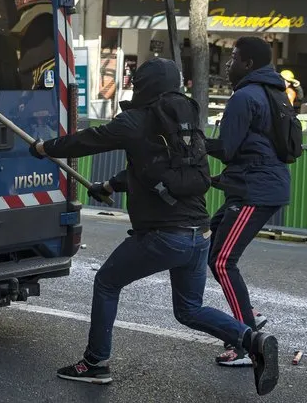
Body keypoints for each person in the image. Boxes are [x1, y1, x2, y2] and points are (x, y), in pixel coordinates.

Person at [28, 57, 279, 396]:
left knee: (105, 282)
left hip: (165, 236)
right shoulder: (185, 122)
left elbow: (89, 139)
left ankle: (95, 362)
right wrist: (110, 186)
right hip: (198, 235)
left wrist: (45, 148)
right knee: (189, 310)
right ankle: (253, 338)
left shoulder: (134, 120)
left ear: (144, 84)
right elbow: (154, 168)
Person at [205, 37, 291, 367]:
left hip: (256, 189)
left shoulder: (244, 96)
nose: (228, 64)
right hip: (255, 184)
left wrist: (193, 143)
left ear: (249, 64)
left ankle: (248, 343)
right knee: (215, 250)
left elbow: (227, 148)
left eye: (234, 58)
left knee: (224, 261)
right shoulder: (274, 91)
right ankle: (248, 312)